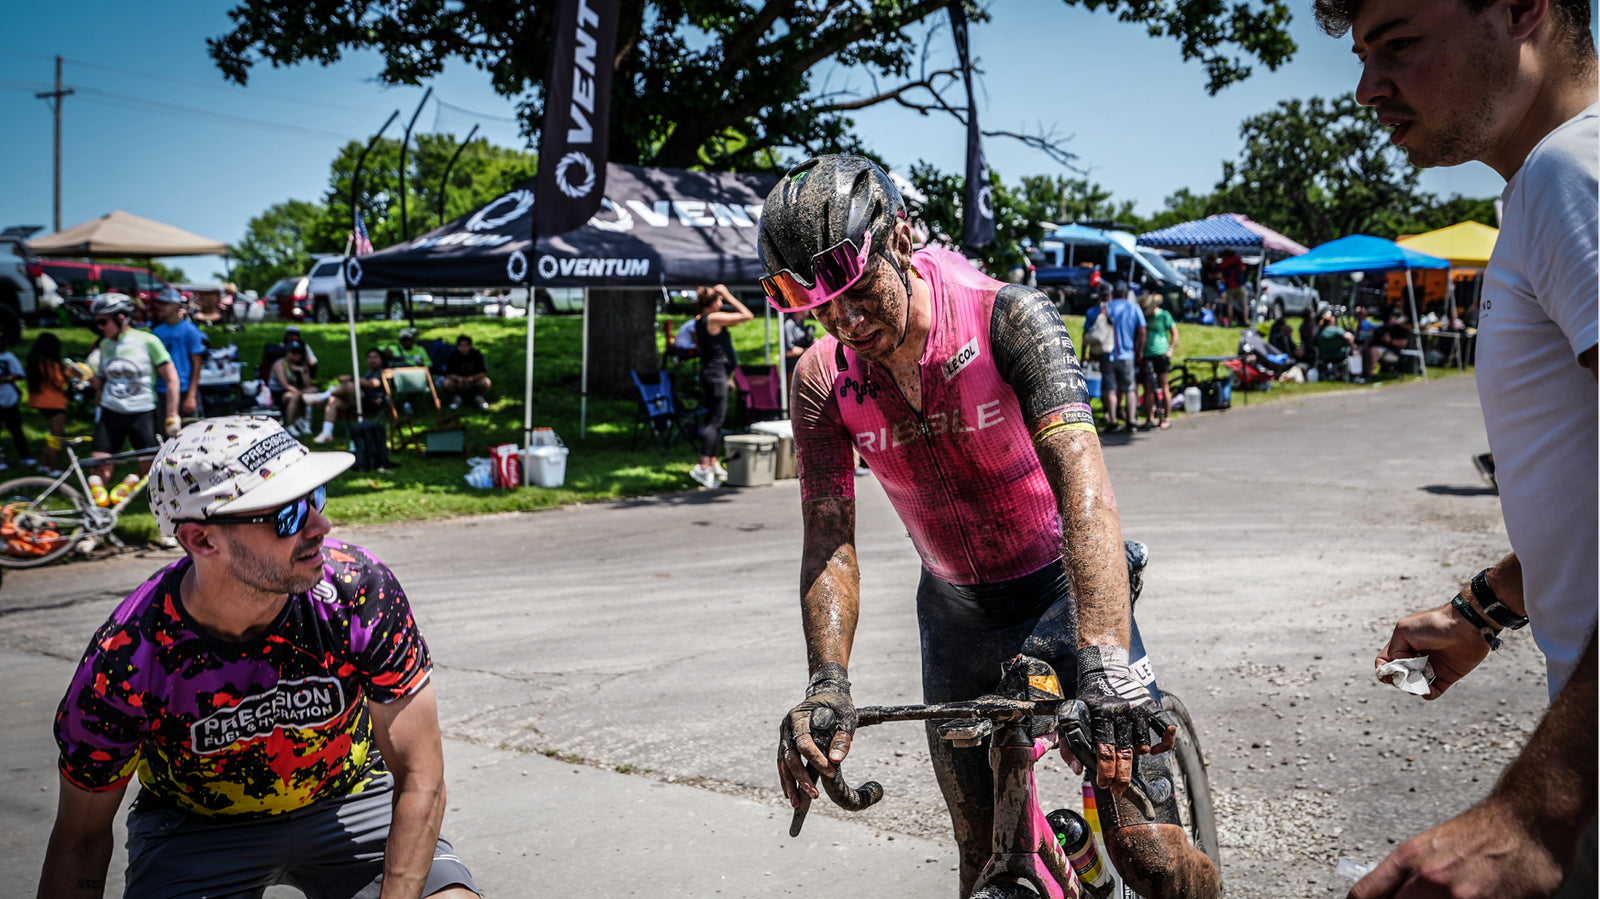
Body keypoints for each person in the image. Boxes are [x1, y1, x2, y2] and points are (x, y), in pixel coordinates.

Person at [761, 155, 1218, 899]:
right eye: (823, 309)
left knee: (1154, 860)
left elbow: (1083, 482)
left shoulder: (1008, 314)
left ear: (900, 238)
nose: (847, 320)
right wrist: (826, 681)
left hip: (1062, 595)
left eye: (857, 291)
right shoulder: (820, 378)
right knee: (982, 866)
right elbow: (828, 538)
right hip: (956, 618)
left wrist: (1102, 657)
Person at [1313, 0, 1598, 896]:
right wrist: (1486, 607)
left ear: (1522, 10)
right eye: (1362, 55)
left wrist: (1536, 810)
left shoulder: (1572, 175)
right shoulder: (1548, 183)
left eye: (1398, 44)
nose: (1368, 88)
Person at [35, 416, 478, 899]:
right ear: (201, 540)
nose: (320, 526)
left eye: (317, 498)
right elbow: (80, 839)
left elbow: (421, 774)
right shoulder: (127, 656)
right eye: (287, 515)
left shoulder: (359, 593)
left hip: (349, 797)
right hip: (196, 826)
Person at [89, 293, 179, 480]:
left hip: (142, 412)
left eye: (103, 322)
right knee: (98, 468)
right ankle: (98, 508)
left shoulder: (148, 341)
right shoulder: (104, 345)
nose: (99, 327)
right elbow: (101, 383)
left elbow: (171, 378)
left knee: (152, 472)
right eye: (97, 322)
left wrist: (172, 414)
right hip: (111, 411)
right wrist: (87, 376)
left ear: (120, 318)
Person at [690, 283, 753, 488]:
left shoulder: (701, 320)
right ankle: (703, 467)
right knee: (715, 422)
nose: (722, 303)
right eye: (720, 300)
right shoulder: (713, 318)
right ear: (712, 303)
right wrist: (730, 296)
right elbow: (747, 315)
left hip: (714, 374)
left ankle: (712, 462)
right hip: (715, 375)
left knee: (713, 419)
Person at [1080, 281, 1147, 432]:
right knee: (1129, 388)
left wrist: (1085, 353)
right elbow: (1142, 330)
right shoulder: (1133, 308)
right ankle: (1131, 420)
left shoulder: (1105, 307)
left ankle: (1113, 420)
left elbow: (1090, 331)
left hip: (1107, 354)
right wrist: (1139, 350)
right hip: (1127, 354)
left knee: (1110, 389)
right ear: (1125, 293)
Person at [149, 288, 207, 419]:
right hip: (162, 391)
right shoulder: (156, 332)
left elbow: (197, 365)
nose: (161, 307)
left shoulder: (190, 330)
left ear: (176, 305)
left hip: (184, 390)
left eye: (165, 304)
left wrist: (191, 396)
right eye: (159, 304)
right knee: (165, 434)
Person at [316, 348, 389, 444]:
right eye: (370, 357)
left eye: (375, 357)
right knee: (333, 400)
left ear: (382, 359)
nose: (372, 360)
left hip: (374, 404)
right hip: (358, 402)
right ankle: (327, 433)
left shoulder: (384, 372)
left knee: (350, 385)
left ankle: (325, 395)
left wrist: (350, 378)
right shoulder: (369, 373)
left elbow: (374, 383)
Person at [26, 332, 72, 476]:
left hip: (40, 401)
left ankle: (44, 465)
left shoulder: (35, 360)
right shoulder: (49, 363)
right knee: (57, 437)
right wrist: (69, 372)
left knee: (54, 435)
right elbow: (59, 382)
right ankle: (52, 468)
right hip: (54, 403)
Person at [1138, 293, 1178, 429]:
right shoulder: (1144, 316)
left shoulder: (1164, 315)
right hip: (1147, 354)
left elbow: (1175, 333)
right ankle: (1150, 418)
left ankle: (1167, 417)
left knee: (1164, 385)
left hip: (1161, 354)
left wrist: (1170, 349)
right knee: (1148, 388)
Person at [268, 340, 321, 436]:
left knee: (313, 391)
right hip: (278, 392)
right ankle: (289, 425)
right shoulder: (280, 364)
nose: (297, 355)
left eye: (299, 353)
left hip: (295, 390)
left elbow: (308, 385)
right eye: (294, 352)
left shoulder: (302, 364)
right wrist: (300, 394)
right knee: (294, 396)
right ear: (288, 352)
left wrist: (303, 371)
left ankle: (305, 422)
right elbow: (284, 385)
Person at [0, 335, 32, 469]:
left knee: (17, 430)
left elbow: (19, 374)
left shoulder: (8, 357)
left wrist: (6, 378)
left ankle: (25, 456)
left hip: (10, 399)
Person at [437, 334, 491, 410]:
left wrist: (471, 378)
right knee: (447, 383)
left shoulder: (477, 355)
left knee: (486, 382)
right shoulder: (453, 355)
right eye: (461, 345)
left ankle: (479, 398)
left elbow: (483, 372)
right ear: (457, 346)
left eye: (466, 345)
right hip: (458, 382)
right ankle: (456, 399)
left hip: (474, 381)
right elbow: (449, 373)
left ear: (470, 346)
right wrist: (460, 378)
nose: (464, 348)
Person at [1360, 310, 1413, 378]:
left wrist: (1390, 341)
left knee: (1374, 350)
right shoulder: (1381, 329)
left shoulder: (1399, 329)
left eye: (1387, 320)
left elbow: (1403, 343)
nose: (1386, 322)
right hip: (1379, 351)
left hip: (1394, 353)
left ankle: (1370, 374)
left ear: (1392, 319)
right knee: (1365, 349)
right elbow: (1372, 338)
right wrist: (1366, 346)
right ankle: (1362, 373)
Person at [1218, 249, 1247, 326]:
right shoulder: (1238, 259)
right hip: (1240, 285)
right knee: (1244, 304)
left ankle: (1230, 322)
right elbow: (1243, 268)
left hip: (1230, 286)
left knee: (1229, 305)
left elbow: (1220, 275)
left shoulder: (1223, 262)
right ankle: (1246, 321)